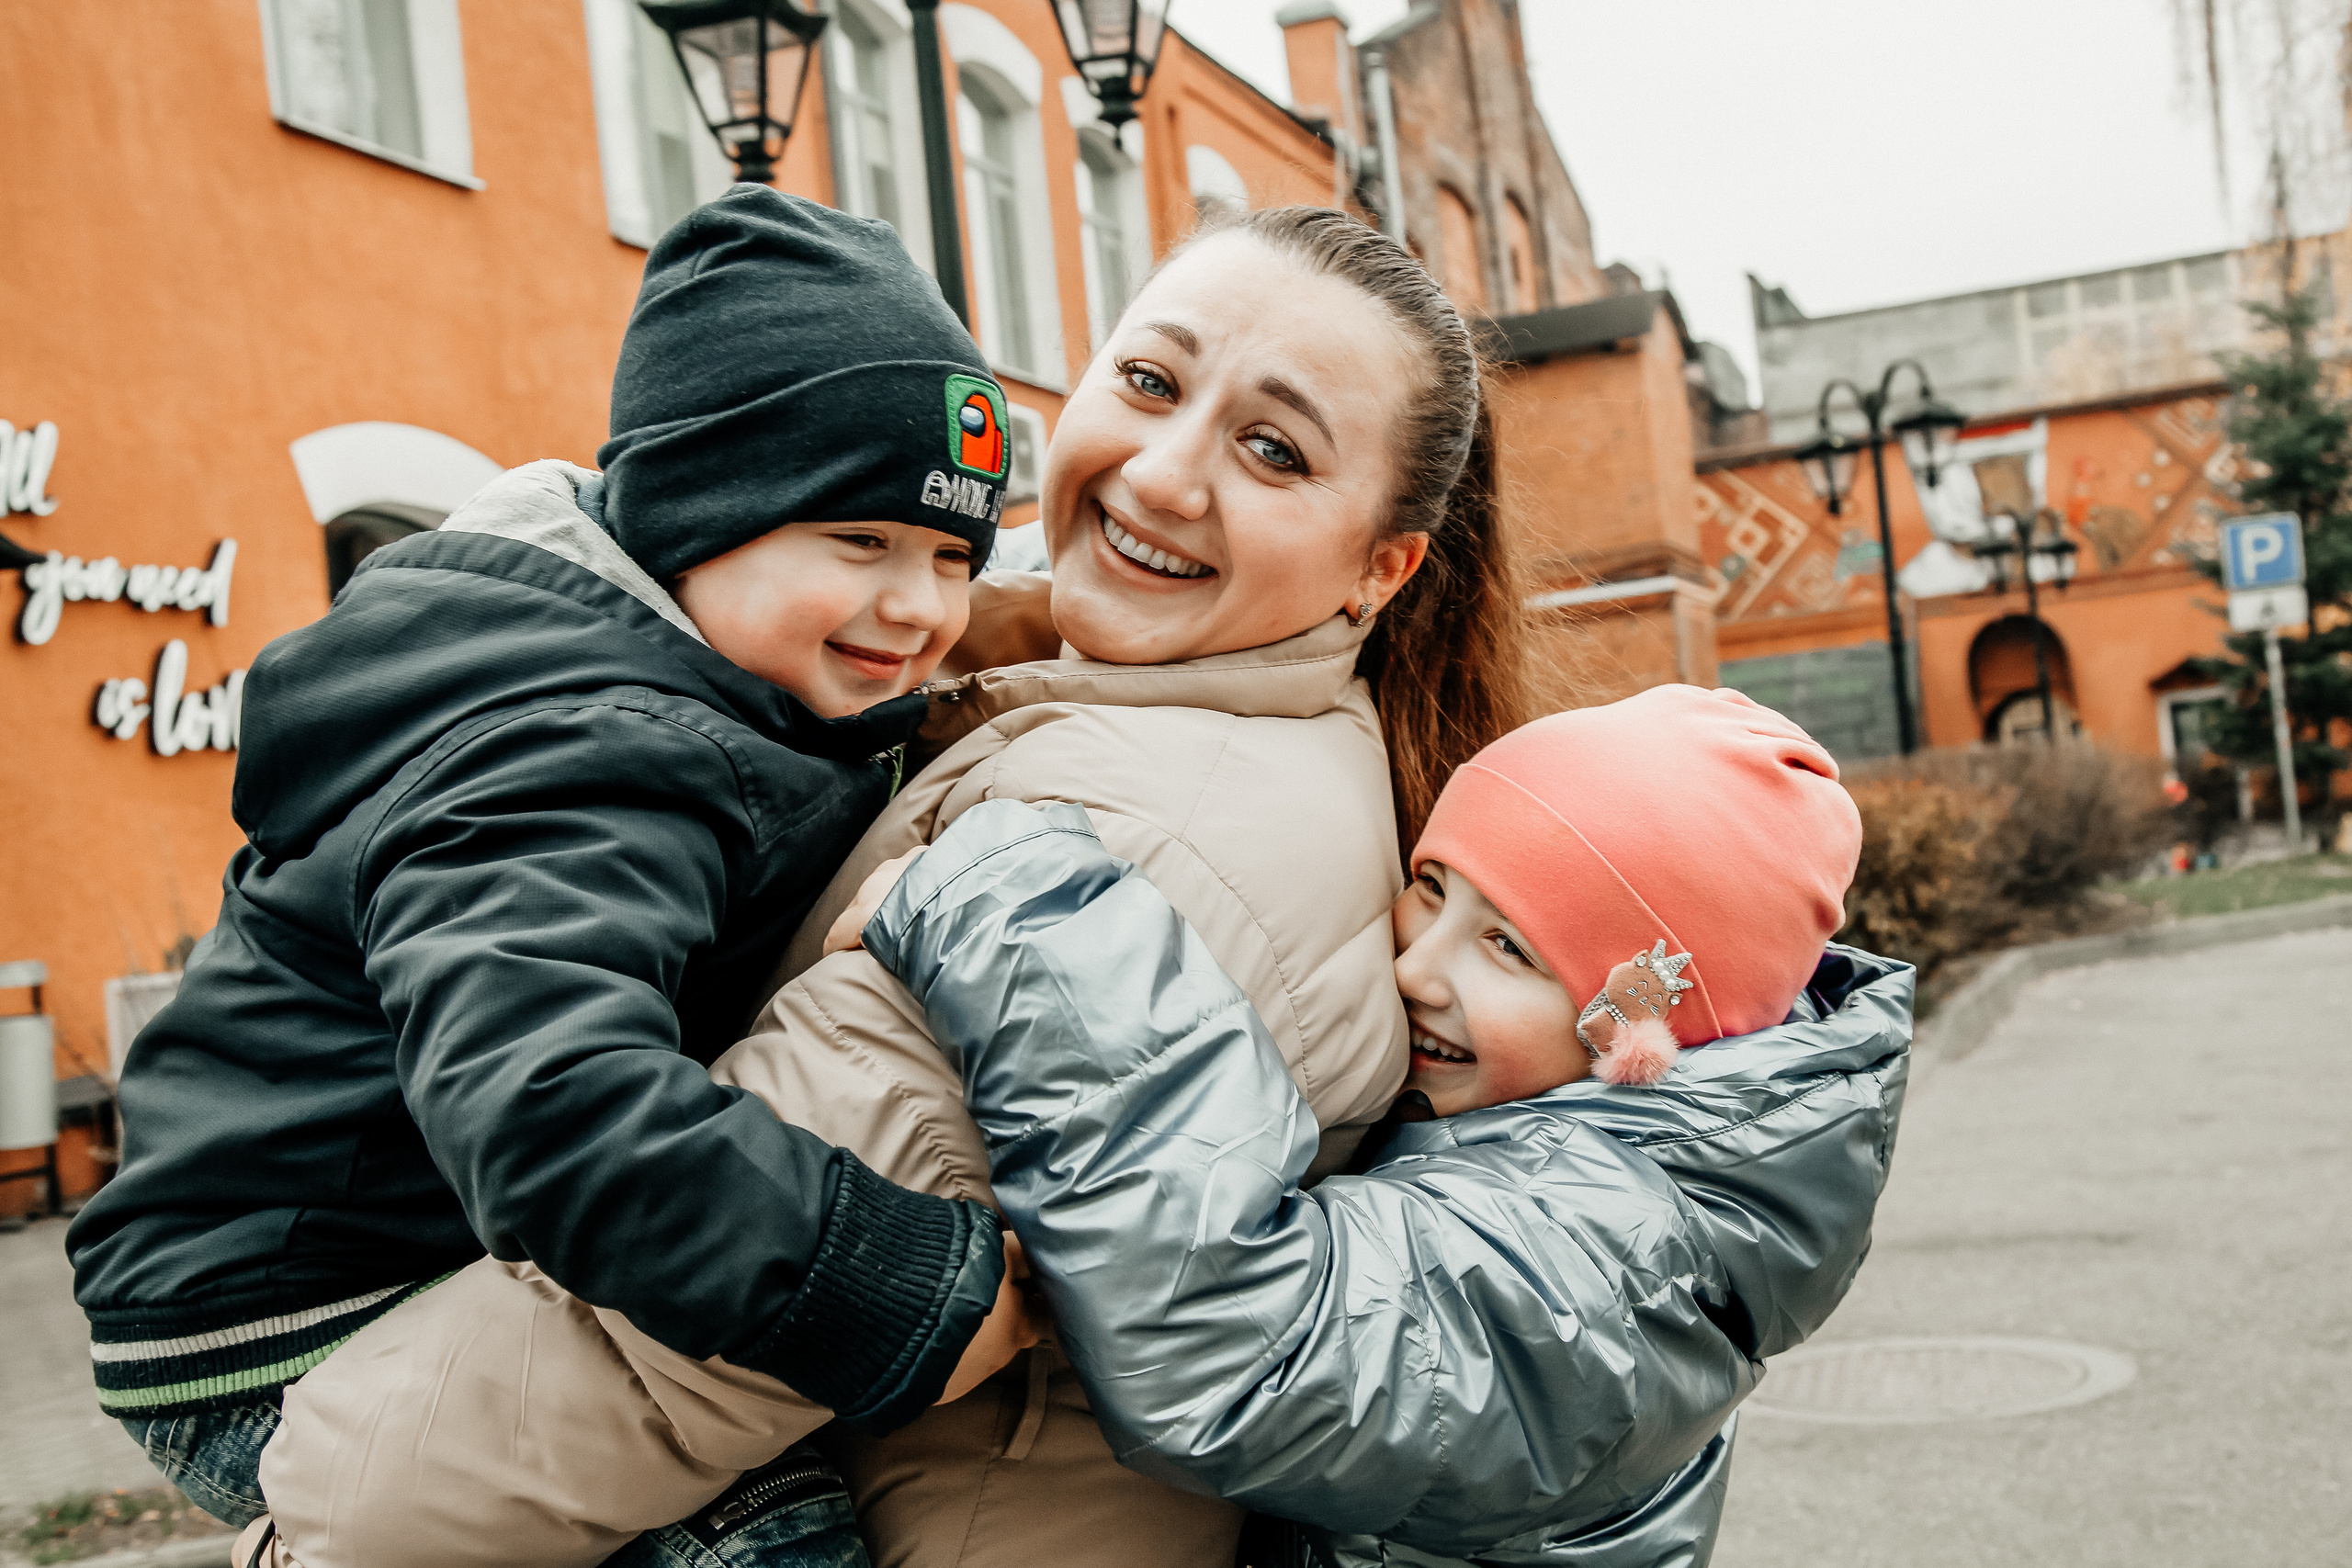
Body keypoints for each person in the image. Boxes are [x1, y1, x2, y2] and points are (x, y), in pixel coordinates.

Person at [249, 204, 1541, 1568]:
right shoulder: (1052, 694)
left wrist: (320, 1522)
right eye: (1152, 381)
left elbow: (663, 1360)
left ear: (1381, 567)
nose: (1163, 475)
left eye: (1272, 449)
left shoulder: (1138, 833)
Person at [64, 186, 1033, 1565]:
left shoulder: (684, 669)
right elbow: (555, 1103)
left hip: (367, 1241)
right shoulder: (579, 753)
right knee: (754, 1529)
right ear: (700, 512)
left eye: (953, 555)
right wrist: (884, 1280)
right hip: (281, 1312)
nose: (920, 607)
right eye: (859, 542)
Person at [853, 684, 1909, 1568]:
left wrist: (1009, 911)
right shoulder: (1618, 1172)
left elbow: (1236, 1345)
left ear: (1651, 1031)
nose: (1415, 967)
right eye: (1429, 889)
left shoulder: (1613, 1265)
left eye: (1508, 949)